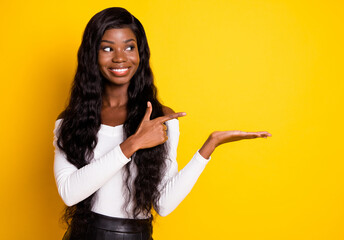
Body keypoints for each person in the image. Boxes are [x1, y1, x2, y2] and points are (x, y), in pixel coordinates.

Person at [53, 7, 271, 240]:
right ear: (91, 55)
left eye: (129, 47)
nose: (120, 57)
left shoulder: (160, 118)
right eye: (107, 48)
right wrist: (133, 143)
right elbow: (70, 193)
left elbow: (164, 205)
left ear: (140, 53)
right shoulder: (70, 122)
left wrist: (209, 147)